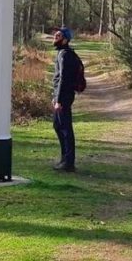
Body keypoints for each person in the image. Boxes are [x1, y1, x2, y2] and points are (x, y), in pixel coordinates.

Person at [51, 26, 78, 172]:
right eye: (55, 35)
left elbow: (63, 78)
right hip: (61, 97)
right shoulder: (63, 53)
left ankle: (69, 162)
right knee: (58, 126)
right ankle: (64, 158)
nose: (55, 37)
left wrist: (59, 100)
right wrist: (55, 97)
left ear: (65, 39)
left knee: (66, 129)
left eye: (59, 35)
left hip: (64, 98)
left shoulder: (64, 55)